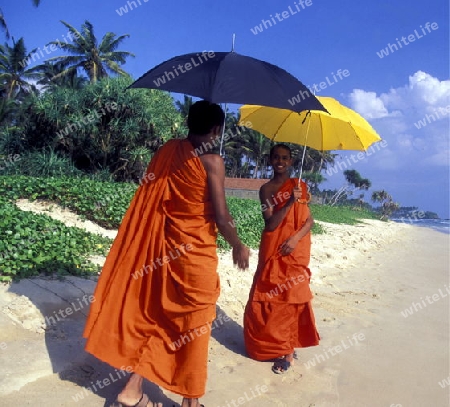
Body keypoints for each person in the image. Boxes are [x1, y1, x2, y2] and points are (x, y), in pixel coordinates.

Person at [83, 100, 250, 407]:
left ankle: (132, 391)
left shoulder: (168, 150)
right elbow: (222, 217)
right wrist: (238, 244)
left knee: (159, 317)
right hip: (194, 256)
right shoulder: (212, 161)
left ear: (189, 122)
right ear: (216, 130)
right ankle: (191, 400)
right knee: (194, 326)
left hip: (163, 250)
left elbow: (154, 197)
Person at [243, 143, 320, 374]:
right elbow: (271, 223)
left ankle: (287, 350)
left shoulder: (300, 186)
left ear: (291, 162)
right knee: (267, 294)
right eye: (276, 157)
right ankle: (267, 345)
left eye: (285, 158)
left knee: (290, 299)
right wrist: (288, 202)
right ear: (270, 160)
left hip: (294, 251)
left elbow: (309, 222)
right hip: (272, 247)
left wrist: (295, 239)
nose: (280, 161)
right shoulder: (266, 189)